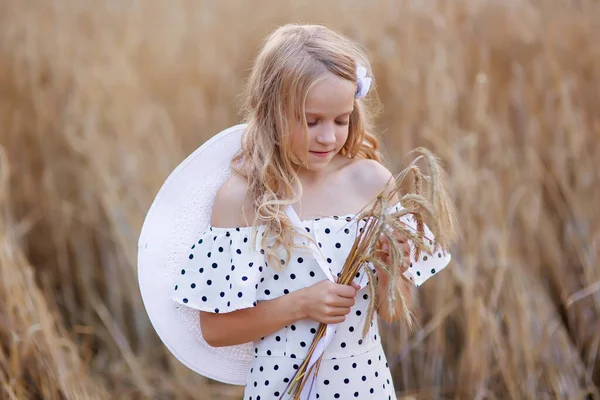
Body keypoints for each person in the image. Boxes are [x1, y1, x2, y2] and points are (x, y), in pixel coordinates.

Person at [170, 23, 450, 400]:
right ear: (272, 112)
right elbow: (217, 331)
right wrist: (301, 303)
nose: (329, 137)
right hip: (280, 389)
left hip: (362, 386)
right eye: (311, 120)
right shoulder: (243, 199)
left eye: (341, 119)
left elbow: (392, 311)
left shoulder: (371, 184)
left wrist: (389, 267)